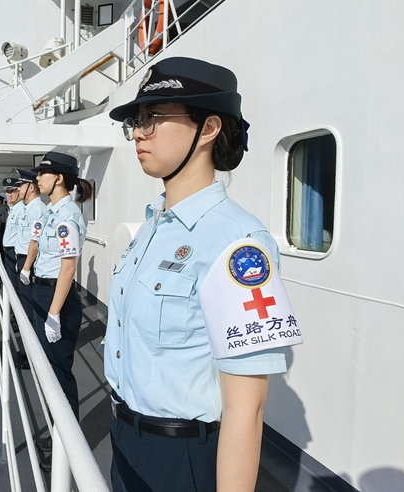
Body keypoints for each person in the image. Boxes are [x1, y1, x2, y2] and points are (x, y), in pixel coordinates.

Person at [104, 57, 303, 492]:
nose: (138, 132)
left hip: (180, 461)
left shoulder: (238, 243)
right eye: (136, 121)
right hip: (122, 437)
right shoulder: (153, 226)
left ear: (208, 128)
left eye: (153, 117)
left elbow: (245, 410)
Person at [20, 152, 93, 419]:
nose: (38, 179)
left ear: (59, 178)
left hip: (56, 298)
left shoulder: (67, 217)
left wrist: (53, 315)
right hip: (43, 292)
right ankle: (56, 428)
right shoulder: (52, 212)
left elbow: (68, 268)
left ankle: (67, 437)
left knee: (58, 371)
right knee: (49, 367)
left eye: (43, 174)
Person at [14, 169, 47, 323]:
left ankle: (30, 329)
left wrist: (26, 268)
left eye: (21, 185)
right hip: (23, 257)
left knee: (28, 298)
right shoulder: (28, 208)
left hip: (29, 259)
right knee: (24, 295)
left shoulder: (37, 209)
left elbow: (36, 241)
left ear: (31, 187)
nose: (18, 189)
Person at [1, 177, 23, 289]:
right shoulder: (13, 209)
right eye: (7, 191)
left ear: (19, 191)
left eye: (12, 191)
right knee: (10, 280)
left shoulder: (22, 209)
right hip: (8, 250)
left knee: (15, 284)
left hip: (14, 251)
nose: (9, 194)